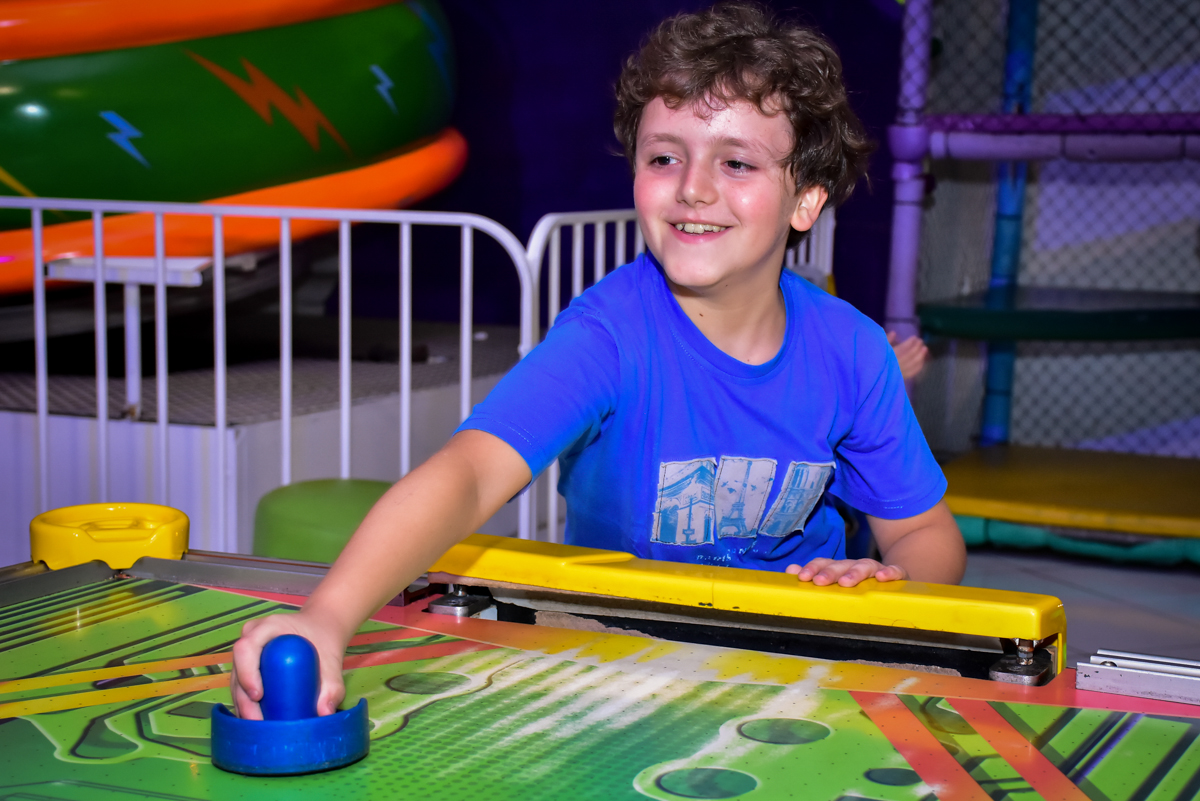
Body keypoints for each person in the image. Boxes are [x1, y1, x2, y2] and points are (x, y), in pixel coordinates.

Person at [230, 2, 966, 720]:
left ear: (805, 200)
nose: (693, 187)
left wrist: (892, 575)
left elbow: (926, 534)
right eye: (664, 157)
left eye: (736, 162)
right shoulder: (608, 336)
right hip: (624, 663)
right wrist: (328, 616)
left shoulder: (852, 351)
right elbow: (470, 471)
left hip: (801, 667)